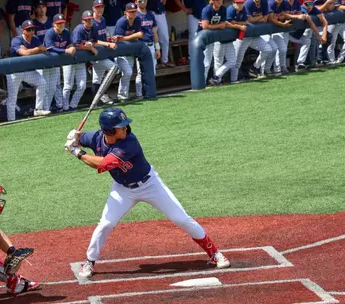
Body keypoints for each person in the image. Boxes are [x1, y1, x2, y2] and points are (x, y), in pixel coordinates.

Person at [63, 107, 230, 279]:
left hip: (150, 184)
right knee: (105, 224)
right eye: (121, 127)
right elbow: (82, 138)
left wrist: (76, 151)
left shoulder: (129, 143)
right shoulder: (97, 138)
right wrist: (75, 137)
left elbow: (103, 164)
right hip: (123, 189)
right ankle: (89, 261)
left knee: (181, 218)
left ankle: (214, 253)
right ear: (109, 131)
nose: (125, 128)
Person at [7, 20, 48, 120]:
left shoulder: (35, 39)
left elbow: (43, 50)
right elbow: (25, 54)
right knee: (13, 98)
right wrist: (37, 49)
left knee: (42, 83)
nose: (31, 31)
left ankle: (38, 109)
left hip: (29, 70)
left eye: (33, 29)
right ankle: (11, 120)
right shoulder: (16, 40)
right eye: (29, 30)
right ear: (23, 31)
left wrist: (31, 50)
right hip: (15, 72)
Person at [64, 11, 100, 111]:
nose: (89, 21)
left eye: (91, 19)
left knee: (82, 85)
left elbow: (95, 41)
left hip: (80, 61)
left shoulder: (94, 28)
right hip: (70, 60)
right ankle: (63, 107)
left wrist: (91, 44)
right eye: (87, 20)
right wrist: (90, 48)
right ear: (82, 21)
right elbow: (76, 45)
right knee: (68, 86)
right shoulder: (79, 29)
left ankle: (72, 106)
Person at [203, 0, 241, 85]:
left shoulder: (223, 9)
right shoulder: (207, 9)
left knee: (232, 61)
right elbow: (205, 26)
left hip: (217, 37)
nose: (219, 1)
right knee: (207, 63)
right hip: (204, 38)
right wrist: (219, 26)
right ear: (212, 1)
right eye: (216, 0)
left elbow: (224, 24)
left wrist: (220, 26)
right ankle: (202, 84)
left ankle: (216, 78)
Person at [44, 14, 76, 110]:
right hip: (46, 63)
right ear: (54, 24)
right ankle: (44, 108)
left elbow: (69, 43)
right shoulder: (49, 33)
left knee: (55, 86)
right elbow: (50, 48)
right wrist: (65, 51)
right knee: (46, 87)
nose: (61, 25)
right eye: (59, 23)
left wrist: (72, 47)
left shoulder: (66, 32)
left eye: (62, 23)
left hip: (56, 62)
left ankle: (58, 106)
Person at [112, 3, 141, 102]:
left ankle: (124, 95)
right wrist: (132, 37)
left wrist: (126, 38)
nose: (133, 14)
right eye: (131, 12)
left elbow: (140, 34)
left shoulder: (137, 20)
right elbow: (119, 40)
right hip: (119, 52)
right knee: (128, 72)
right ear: (126, 13)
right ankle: (122, 95)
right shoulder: (121, 22)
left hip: (129, 51)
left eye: (134, 11)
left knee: (128, 73)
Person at [92, 0, 118, 105]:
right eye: (97, 7)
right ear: (93, 8)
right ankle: (102, 95)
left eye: (101, 7)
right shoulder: (90, 21)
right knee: (114, 68)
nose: (100, 9)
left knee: (97, 78)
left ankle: (97, 100)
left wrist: (109, 40)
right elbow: (92, 41)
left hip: (103, 52)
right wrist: (107, 44)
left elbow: (103, 35)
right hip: (94, 53)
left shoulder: (102, 19)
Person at [244, 0, 277, 78]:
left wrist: (255, 19)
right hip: (245, 37)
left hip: (256, 35)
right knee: (237, 60)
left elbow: (265, 19)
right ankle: (234, 79)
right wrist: (260, 17)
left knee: (268, 49)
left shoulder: (264, 2)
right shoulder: (248, 3)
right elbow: (249, 20)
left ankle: (255, 67)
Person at [135, 0, 160, 98]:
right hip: (141, 45)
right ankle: (139, 94)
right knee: (141, 71)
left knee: (152, 71)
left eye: (144, 0)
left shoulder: (150, 14)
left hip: (151, 45)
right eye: (140, 0)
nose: (143, 2)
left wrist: (157, 47)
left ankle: (150, 92)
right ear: (136, 2)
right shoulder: (135, 15)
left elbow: (154, 31)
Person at [147, 0, 174, 68]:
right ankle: (153, 62)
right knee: (150, 38)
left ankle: (165, 60)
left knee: (165, 38)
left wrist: (162, 6)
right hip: (150, 12)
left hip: (160, 13)